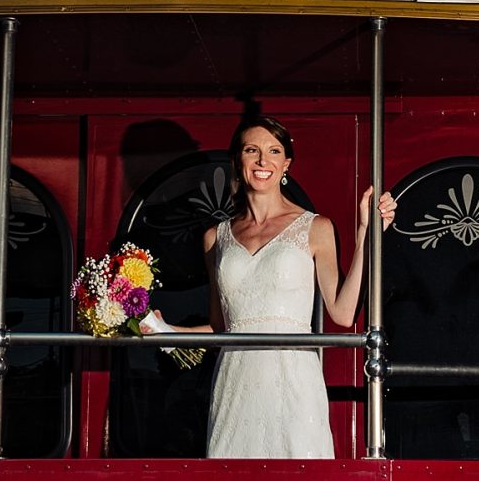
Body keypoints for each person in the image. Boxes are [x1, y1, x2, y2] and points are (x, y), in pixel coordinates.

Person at [142, 114, 396, 459]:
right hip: (236, 379)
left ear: (286, 163)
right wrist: (170, 331)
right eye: (252, 150)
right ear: (237, 160)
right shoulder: (215, 237)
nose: (263, 161)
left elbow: (343, 311)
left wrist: (367, 232)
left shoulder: (315, 227)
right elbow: (222, 326)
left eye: (274, 151)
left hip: (293, 377)